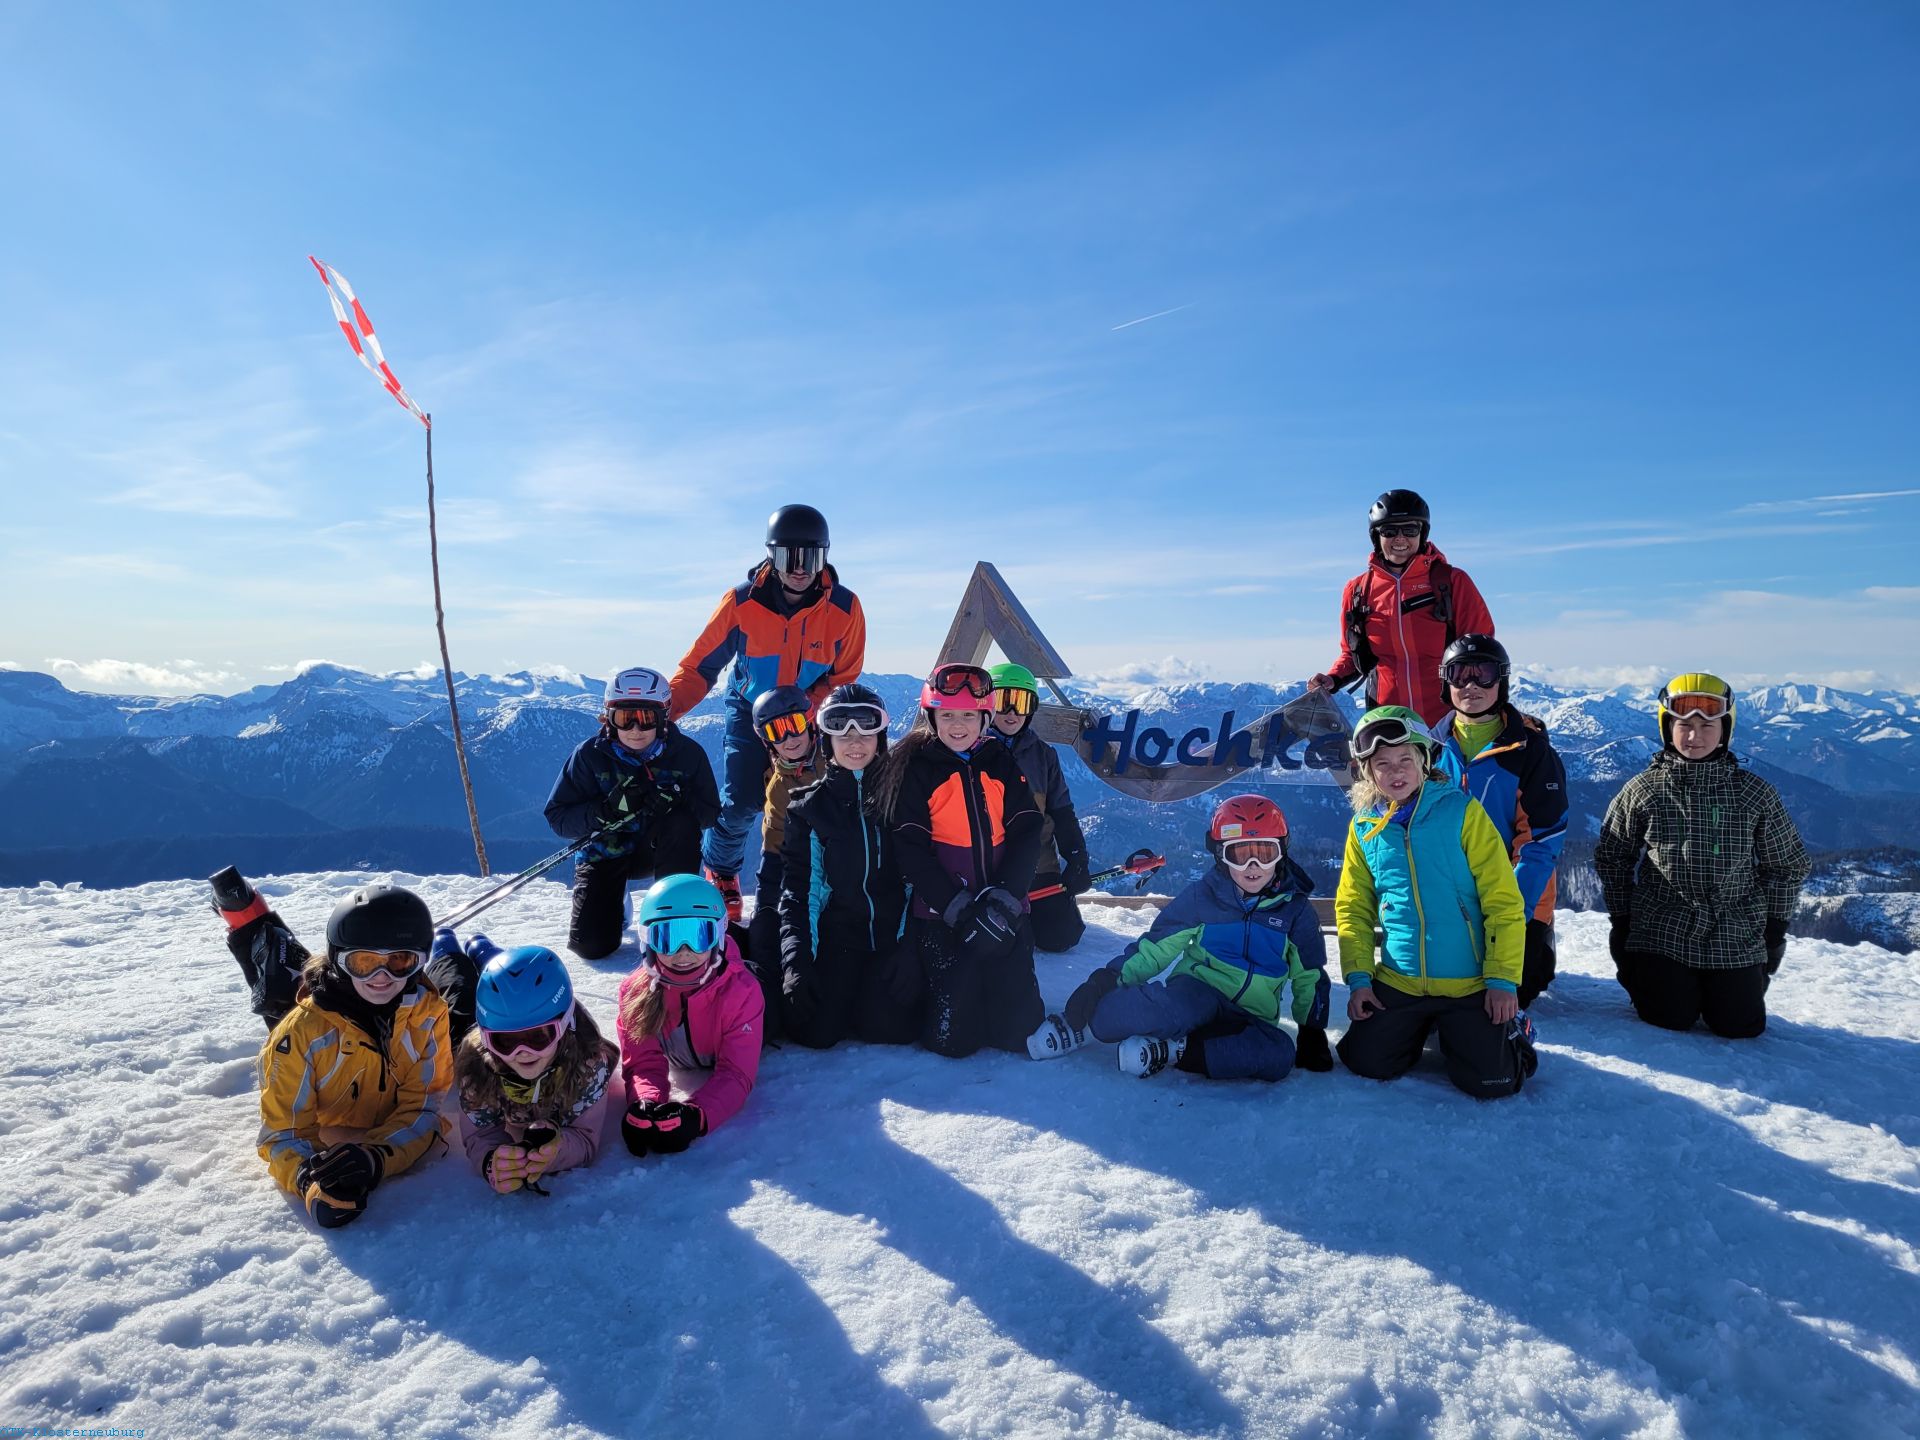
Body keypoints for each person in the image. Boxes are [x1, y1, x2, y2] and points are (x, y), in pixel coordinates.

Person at [667, 505, 867, 922]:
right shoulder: (742, 603)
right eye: (787, 556)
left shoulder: (845, 610)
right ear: (771, 557)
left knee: (817, 795)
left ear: (824, 557)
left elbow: (844, 675)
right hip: (748, 711)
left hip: (806, 714)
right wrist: (661, 715)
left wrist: (807, 709)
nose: (799, 568)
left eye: (809, 557)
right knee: (741, 799)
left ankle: (813, 877)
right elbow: (700, 666)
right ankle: (720, 871)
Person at [1044, 795, 1333, 1080]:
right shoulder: (1203, 898)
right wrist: (1105, 981)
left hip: (1251, 1016)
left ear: (1282, 853)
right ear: (1221, 855)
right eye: (1240, 854)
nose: (1253, 866)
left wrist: (1311, 1029)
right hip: (1197, 995)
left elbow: (1310, 975)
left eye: (1265, 853)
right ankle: (1083, 1023)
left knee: (1279, 1054)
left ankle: (1173, 1050)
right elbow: (1155, 949)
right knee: (1145, 1013)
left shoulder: (1295, 912)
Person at [1334, 707, 1536, 1097]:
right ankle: (1424, 1027)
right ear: (1367, 771)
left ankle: (1511, 1032)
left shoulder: (1461, 813)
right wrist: (1359, 979)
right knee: (1366, 1061)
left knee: (1492, 1082)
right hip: (1401, 979)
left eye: (1405, 760)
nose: (1395, 772)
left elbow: (1503, 901)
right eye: (1382, 763)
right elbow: (1353, 906)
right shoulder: (1363, 828)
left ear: (1424, 761)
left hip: (1469, 982)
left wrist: (1502, 981)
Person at [1595, 673, 1809, 1039]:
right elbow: (1613, 856)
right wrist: (1623, 918)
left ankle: (1739, 982)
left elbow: (1786, 864)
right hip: (1662, 926)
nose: (1695, 736)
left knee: (1740, 1026)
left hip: (1734, 929)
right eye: (1683, 725)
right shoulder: (1644, 790)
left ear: (1725, 729)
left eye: (1707, 725)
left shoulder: (1754, 793)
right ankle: (1647, 976)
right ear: (1668, 728)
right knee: (1668, 1016)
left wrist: (1774, 928)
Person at [871, 662, 1047, 1059]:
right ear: (932, 717)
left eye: (969, 715)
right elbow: (910, 850)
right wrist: (956, 907)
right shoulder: (918, 770)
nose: (958, 725)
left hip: (1003, 911)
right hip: (943, 918)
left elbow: (1026, 832)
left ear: (985, 716)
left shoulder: (1000, 762)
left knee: (1020, 1033)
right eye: (947, 715)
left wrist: (1006, 897)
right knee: (954, 1041)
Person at [255, 884, 452, 1228]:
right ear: (338, 959)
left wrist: (377, 1157)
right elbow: (283, 1132)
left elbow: (424, 1108)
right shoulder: (300, 1036)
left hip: (434, 1014)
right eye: (364, 963)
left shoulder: (428, 1014)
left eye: (400, 961)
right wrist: (309, 1177)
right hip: (337, 1093)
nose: (382, 978)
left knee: (461, 995)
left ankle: (453, 952)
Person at [1428, 634, 1569, 1010]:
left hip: (1513, 896)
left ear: (1502, 681)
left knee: (1520, 988)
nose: (1471, 685)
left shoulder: (1531, 750)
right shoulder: (1429, 748)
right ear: (1446, 682)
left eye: (1484, 674)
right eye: (1459, 674)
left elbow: (1540, 844)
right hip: (1450, 894)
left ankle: (1541, 939)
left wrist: (1508, 915)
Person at [776, 682, 918, 1048]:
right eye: (841, 730)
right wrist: (797, 962)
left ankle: (864, 999)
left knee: (890, 1029)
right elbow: (800, 891)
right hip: (839, 940)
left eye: (866, 730)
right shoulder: (809, 809)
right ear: (827, 740)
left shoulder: (902, 799)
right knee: (815, 1032)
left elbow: (917, 879)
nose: (855, 742)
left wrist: (911, 947)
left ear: (881, 737)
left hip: (891, 938)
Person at [544, 666, 721, 961]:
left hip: (660, 851)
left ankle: (673, 910)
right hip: (605, 852)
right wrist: (603, 811)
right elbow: (558, 817)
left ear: (663, 717)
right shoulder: (589, 755)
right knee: (591, 947)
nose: (636, 729)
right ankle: (616, 898)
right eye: (625, 719)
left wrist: (678, 801)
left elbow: (709, 813)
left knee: (679, 824)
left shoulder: (688, 754)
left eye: (646, 718)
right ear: (610, 719)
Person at [450, 936, 620, 1195]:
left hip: (535, 1007)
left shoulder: (586, 1062)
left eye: (539, 1037)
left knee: (514, 986)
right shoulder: (477, 1067)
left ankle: (481, 947)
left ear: (564, 1026)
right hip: (498, 1015)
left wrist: (556, 1150)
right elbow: (480, 1135)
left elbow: (584, 1137)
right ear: (486, 1038)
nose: (523, 1053)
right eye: (505, 1041)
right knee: (457, 1000)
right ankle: (446, 949)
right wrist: (491, 1161)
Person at [1309, 490, 1495, 726]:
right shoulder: (1358, 591)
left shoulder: (1452, 582)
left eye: (1410, 530)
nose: (1400, 539)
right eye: (1389, 531)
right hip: (1389, 720)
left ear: (1422, 534)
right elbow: (1352, 653)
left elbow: (1481, 649)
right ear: (1376, 537)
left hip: (1449, 719)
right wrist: (1333, 678)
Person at [616, 873, 765, 1156]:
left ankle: (766, 921)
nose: (684, 953)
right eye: (668, 937)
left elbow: (736, 1072)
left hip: (761, 1007)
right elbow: (642, 1063)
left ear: (718, 937)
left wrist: (697, 1116)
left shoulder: (742, 992)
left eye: (698, 936)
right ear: (648, 939)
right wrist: (645, 1101)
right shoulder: (635, 992)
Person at [987, 662, 1092, 952]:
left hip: (1036, 867)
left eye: (1020, 703)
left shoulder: (1042, 755)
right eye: (1003, 701)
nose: (1011, 713)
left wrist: (1076, 857)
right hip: (985, 871)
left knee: (1060, 936)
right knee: (993, 940)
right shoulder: (972, 751)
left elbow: (1062, 812)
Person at [743, 683, 829, 1025]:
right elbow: (773, 848)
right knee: (768, 927)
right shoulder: (779, 786)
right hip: (794, 861)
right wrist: (767, 904)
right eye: (776, 731)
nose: (789, 738)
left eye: (794, 723)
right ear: (766, 739)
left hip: (836, 863)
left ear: (809, 721)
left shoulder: (835, 757)